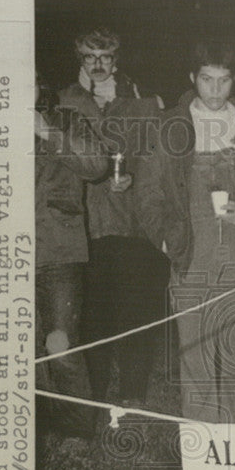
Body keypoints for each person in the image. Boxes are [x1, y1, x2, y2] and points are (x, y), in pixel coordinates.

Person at [136, 41, 235, 425]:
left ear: (233, 82)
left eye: (224, 81)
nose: (215, 90)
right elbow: (147, 193)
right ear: (193, 79)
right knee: (196, 352)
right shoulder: (169, 126)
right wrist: (166, 239)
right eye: (207, 80)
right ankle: (203, 444)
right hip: (191, 254)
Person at [59, 28, 170, 409]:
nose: (98, 65)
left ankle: (134, 394)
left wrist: (134, 177)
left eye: (105, 57)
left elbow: (154, 157)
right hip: (84, 224)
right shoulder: (63, 101)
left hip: (133, 223)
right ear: (80, 59)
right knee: (91, 315)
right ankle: (94, 396)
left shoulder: (139, 100)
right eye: (90, 57)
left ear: (116, 59)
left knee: (136, 310)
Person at [34, 76, 108, 439]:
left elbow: (97, 165)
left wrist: (48, 132)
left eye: (26, 84)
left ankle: (80, 430)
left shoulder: (66, 119)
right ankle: (43, 424)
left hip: (59, 250)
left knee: (60, 344)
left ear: (39, 87)